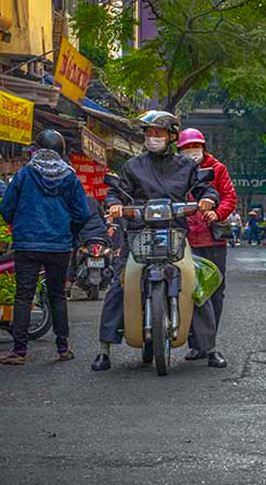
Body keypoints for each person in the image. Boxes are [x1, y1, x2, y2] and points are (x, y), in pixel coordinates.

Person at [91, 110, 219, 372]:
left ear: (171, 136)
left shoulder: (187, 166)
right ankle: (104, 349)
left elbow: (207, 188)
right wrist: (115, 205)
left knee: (195, 281)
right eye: (149, 133)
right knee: (119, 283)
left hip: (175, 233)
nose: (153, 137)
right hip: (138, 233)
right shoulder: (133, 166)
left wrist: (208, 199)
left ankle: (210, 348)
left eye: (159, 133)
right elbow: (116, 192)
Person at [0, 129, 93, 365]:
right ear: (61, 152)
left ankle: (19, 351)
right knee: (57, 296)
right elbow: (82, 213)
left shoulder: (25, 174)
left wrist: (19, 224)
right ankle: (63, 347)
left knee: (23, 296)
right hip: (59, 245)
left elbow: (6, 208)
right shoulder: (70, 177)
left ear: (36, 150)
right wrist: (68, 232)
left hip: (27, 244)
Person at [177, 128, 237, 368]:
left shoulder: (218, 169)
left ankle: (209, 344)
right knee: (189, 291)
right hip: (184, 239)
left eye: (196, 147)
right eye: (187, 148)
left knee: (213, 292)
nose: (192, 152)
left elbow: (229, 197)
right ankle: (195, 344)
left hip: (213, 240)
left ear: (203, 147)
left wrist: (217, 212)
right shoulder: (174, 171)